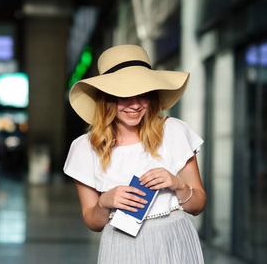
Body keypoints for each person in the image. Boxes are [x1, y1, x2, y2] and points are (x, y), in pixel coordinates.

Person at [64, 44, 206, 263]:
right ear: (107, 98)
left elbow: (198, 206)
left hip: (173, 242)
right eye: (124, 95)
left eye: (143, 94)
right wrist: (104, 203)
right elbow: (93, 223)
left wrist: (178, 184)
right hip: (122, 247)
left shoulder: (174, 132)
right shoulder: (85, 148)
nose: (136, 105)